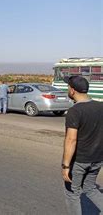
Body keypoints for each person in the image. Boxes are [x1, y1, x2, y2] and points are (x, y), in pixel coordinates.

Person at [61, 76, 103, 214]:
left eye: (68, 87)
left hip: (79, 161)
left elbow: (71, 140)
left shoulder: (75, 111)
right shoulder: (100, 106)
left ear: (72, 90)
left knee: (72, 193)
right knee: (90, 188)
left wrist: (66, 166)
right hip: (97, 159)